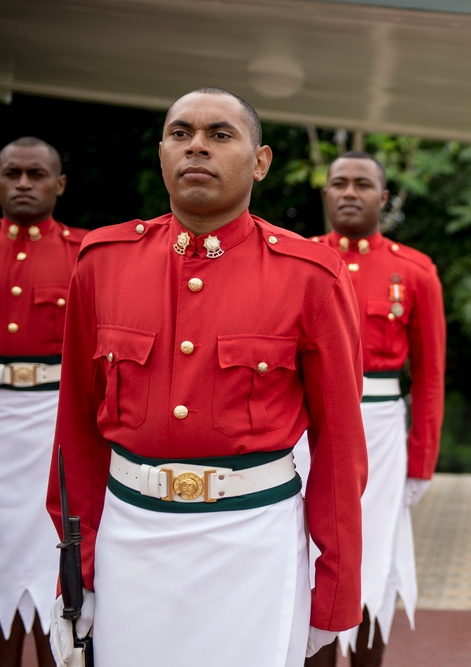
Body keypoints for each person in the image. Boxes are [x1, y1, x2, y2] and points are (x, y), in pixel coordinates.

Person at [45, 88, 367, 667]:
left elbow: (340, 445)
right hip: (130, 535)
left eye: (221, 135)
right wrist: (79, 565)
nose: (197, 147)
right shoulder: (103, 262)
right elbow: (76, 431)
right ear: (162, 154)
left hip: (254, 540)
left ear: (260, 161)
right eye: (180, 134)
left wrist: (336, 589)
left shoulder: (309, 275)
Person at [300, 151, 445, 667]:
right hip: (307, 425)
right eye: (339, 183)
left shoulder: (415, 271)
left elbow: (429, 376)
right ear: (326, 193)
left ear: (382, 198)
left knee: (372, 554)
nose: (349, 192)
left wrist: (421, 460)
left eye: (363, 184)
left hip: (381, 425)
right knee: (308, 548)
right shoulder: (300, 260)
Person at [0, 137, 84, 667]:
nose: (24, 183)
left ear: (59, 184)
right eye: (12, 173)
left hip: (56, 422)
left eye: (36, 174)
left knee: (55, 558)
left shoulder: (84, 254)